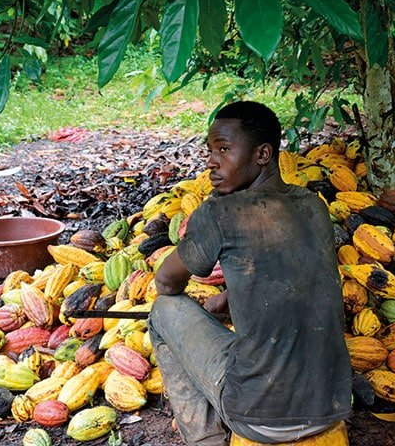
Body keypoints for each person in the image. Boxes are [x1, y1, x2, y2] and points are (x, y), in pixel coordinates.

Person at [149, 101, 352, 446]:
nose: (211, 162)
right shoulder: (312, 205)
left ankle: (205, 440)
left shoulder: (220, 212)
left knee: (163, 311)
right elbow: (297, 278)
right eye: (210, 151)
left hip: (259, 416)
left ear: (262, 154)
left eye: (224, 150)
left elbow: (166, 281)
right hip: (330, 404)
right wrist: (233, 297)